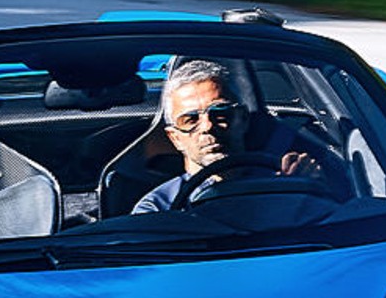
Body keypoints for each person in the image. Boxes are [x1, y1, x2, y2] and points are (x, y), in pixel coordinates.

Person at [131, 60, 319, 214]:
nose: (207, 127)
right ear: (175, 138)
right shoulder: (157, 208)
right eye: (190, 120)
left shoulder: (286, 183)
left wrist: (306, 186)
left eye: (221, 114)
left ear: (243, 119)